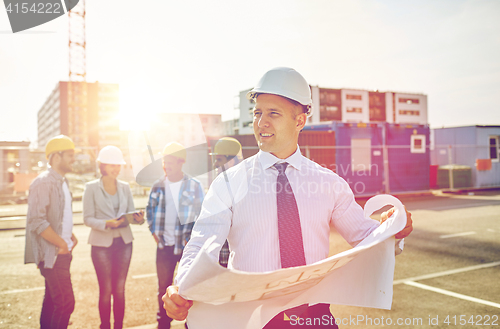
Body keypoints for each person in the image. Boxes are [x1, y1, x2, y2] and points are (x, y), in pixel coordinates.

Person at [163, 67, 414, 328]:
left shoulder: (329, 183)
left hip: (314, 316)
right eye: (257, 113)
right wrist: (182, 286)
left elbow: (367, 237)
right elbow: (201, 244)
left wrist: (393, 229)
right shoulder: (228, 183)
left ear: (299, 121)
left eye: (273, 113)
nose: (261, 123)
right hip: (253, 318)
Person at [82, 145, 144, 329]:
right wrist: (107, 223)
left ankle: (118, 326)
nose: (116, 169)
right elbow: (87, 218)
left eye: (118, 165)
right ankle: (105, 326)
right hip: (101, 244)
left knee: (119, 290)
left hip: (124, 242)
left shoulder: (125, 187)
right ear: (102, 165)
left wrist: (138, 219)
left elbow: (130, 213)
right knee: (106, 290)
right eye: (112, 165)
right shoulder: (91, 187)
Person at [146, 142, 205, 329]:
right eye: (164, 160)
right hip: (164, 247)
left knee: (189, 287)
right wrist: (153, 231)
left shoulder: (194, 186)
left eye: (169, 161)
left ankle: (192, 322)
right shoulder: (157, 186)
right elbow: (150, 211)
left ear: (180, 162)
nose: (165, 164)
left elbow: (202, 215)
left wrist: (191, 239)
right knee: (163, 287)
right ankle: (163, 323)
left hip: (186, 247)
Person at [25, 135, 78, 329]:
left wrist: (69, 236)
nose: (74, 159)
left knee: (51, 303)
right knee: (65, 303)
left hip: (61, 252)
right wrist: (62, 244)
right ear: (56, 157)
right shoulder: (43, 182)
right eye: (70, 155)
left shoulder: (62, 182)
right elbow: (36, 221)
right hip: (53, 255)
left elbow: (57, 215)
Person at [209, 137, 243, 267]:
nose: (214, 165)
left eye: (219, 159)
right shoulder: (218, 188)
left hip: (235, 266)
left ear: (231, 162)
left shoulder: (244, 190)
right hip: (219, 262)